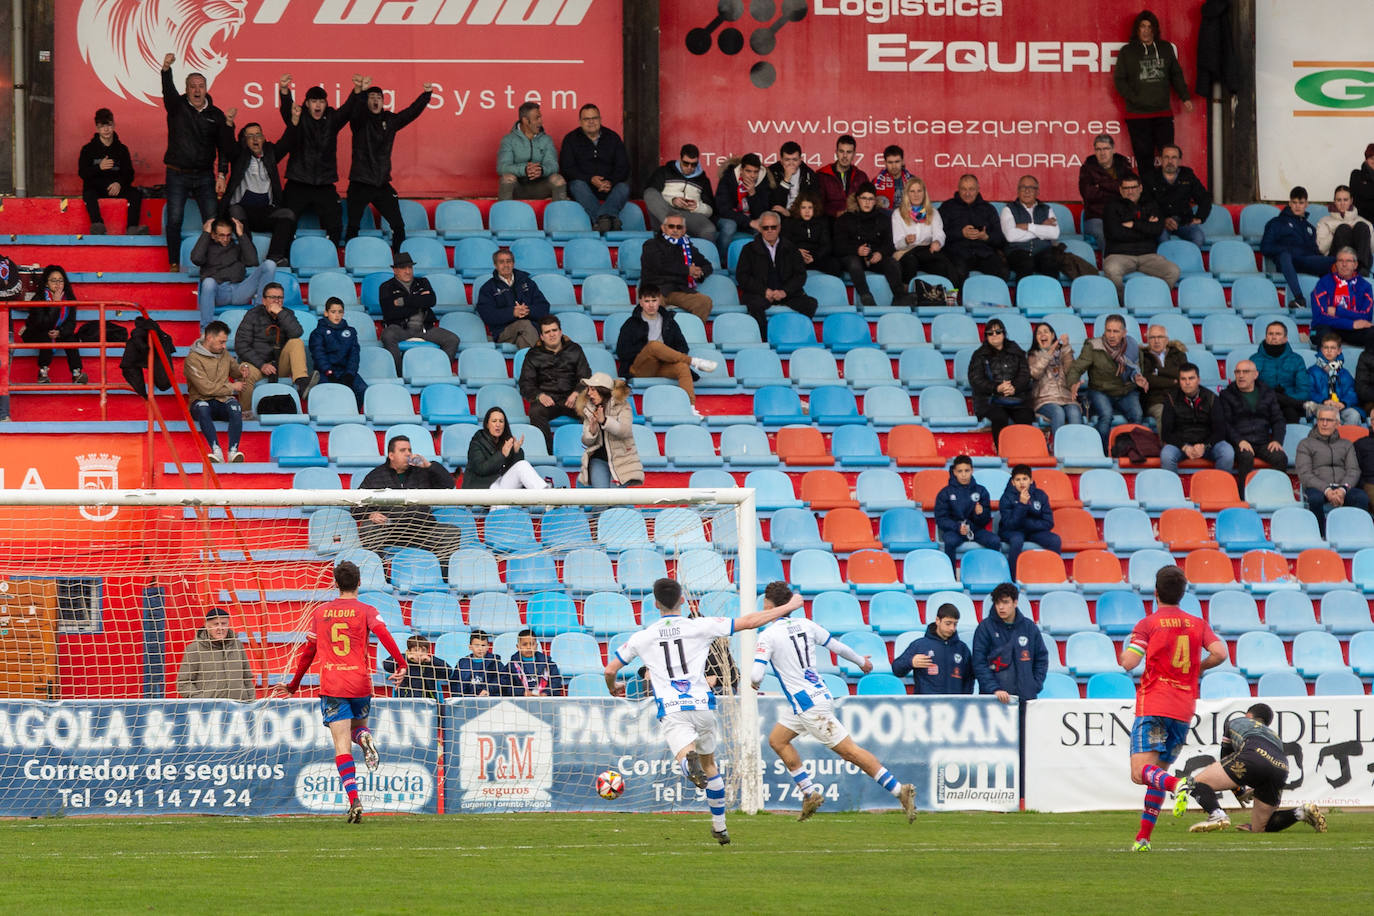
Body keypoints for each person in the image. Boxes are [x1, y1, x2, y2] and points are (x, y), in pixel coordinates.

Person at [604, 577, 798, 845]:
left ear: (656, 604)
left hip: (672, 709)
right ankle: (719, 827)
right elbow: (751, 622)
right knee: (710, 766)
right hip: (703, 705)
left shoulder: (642, 637)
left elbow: (610, 669)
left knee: (688, 760)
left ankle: (687, 762)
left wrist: (614, 688)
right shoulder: (701, 626)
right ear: (682, 600)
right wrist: (789, 606)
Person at [751, 581, 918, 823]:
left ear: (769, 604)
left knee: (850, 752)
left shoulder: (768, 636)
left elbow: (756, 674)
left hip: (809, 706)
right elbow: (836, 646)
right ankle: (809, 794)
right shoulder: (806, 625)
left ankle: (899, 790)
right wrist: (862, 661)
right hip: (814, 697)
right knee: (777, 740)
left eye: (765, 599)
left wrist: (754, 683)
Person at [272, 560, 406, 823]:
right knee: (359, 729)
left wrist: (293, 685)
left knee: (342, 746)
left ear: (334, 584)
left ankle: (354, 798)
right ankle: (365, 736)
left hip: (332, 685)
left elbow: (308, 652)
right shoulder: (367, 610)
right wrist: (401, 664)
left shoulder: (321, 613)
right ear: (359, 583)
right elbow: (384, 634)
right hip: (359, 683)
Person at [1118, 565, 1227, 851]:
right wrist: (1197, 668)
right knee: (1157, 775)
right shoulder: (1197, 623)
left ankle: (1178, 785)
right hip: (1183, 710)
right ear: (1182, 594)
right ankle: (1143, 839)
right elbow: (1220, 653)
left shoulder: (1148, 624)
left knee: (1140, 772)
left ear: (1156, 593)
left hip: (1154, 704)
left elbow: (1129, 662)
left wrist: (1123, 650)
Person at [1182, 703, 1327, 835]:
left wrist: (1239, 791)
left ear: (1248, 715)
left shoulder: (1238, 721)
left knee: (1195, 783)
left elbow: (1226, 756)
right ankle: (1301, 812)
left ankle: (1217, 814)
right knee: (1259, 828)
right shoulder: (1273, 735)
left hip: (1253, 756)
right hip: (1281, 767)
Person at [159, 52, 233, 270]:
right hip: (177, 173)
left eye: (201, 86)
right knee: (174, 219)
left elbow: (224, 149)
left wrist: (221, 174)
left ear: (206, 88)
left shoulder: (216, 115)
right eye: (193, 86)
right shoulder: (176, 107)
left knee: (212, 221)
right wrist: (166, 69)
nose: (197, 90)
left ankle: (213, 263)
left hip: (204, 176)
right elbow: (167, 90)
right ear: (187, 89)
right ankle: (173, 262)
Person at [345, 82, 432, 249]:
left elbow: (410, 113)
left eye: (379, 98)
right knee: (353, 226)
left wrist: (426, 95)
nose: (375, 101)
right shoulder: (359, 121)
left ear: (384, 101)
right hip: (360, 182)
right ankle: (351, 259)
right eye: (372, 98)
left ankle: (399, 260)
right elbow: (355, 112)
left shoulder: (390, 120)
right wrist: (362, 93)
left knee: (398, 226)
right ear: (366, 101)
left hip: (381, 184)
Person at [353, 434, 464, 562]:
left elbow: (448, 484)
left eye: (409, 450)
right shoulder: (375, 476)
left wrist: (429, 465)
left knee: (451, 532)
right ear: (391, 455)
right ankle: (380, 577)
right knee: (368, 528)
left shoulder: (422, 472)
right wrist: (370, 514)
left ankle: (442, 577)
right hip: (389, 530)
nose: (408, 454)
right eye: (402, 450)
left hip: (422, 530)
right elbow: (355, 506)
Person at [277, 74, 357, 247]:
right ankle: (284, 258)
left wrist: (357, 91)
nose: (318, 105)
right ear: (307, 104)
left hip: (324, 183)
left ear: (326, 103)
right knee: (285, 221)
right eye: (314, 101)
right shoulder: (299, 117)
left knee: (335, 223)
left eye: (321, 101)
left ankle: (331, 256)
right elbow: (286, 110)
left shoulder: (332, 119)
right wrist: (284, 91)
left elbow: (348, 109)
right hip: (298, 181)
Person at [1112, 9, 1193, 174]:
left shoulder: (1165, 48)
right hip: (1137, 115)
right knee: (1144, 159)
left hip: (1162, 113)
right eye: (1143, 26)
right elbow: (1119, 80)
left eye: (1150, 27)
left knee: (1168, 157)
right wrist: (1135, 98)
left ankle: (1168, 194)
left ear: (1155, 30)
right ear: (1137, 29)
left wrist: (1185, 97)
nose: (1146, 30)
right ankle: (1149, 196)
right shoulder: (1127, 51)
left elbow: (1176, 74)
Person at [613, 285, 715, 412]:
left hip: (663, 366)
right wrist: (650, 351)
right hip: (640, 368)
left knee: (682, 367)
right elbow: (622, 352)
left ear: (660, 300)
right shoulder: (631, 323)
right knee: (653, 346)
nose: (651, 305)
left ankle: (690, 407)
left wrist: (665, 354)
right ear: (640, 302)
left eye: (654, 300)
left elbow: (682, 346)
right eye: (647, 301)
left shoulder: (669, 322)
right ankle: (694, 362)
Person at [221, 122, 296, 266]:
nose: (255, 139)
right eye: (250, 136)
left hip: (265, 212)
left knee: (288, 214)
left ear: (263, 138)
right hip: (243, 212)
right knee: (235, 211)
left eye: (258, 135)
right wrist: (229, 125)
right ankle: (248, 257)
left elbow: (286, 142)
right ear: (244, 141)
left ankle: (274, 257)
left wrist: (293, 122)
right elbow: (227, 145)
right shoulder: (239, 155)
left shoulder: (271, 154)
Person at [1066, 314, 1148, 447]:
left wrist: (1137, 377)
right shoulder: (1093, 346)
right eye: (1108, 330)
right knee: (1106, 416)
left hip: (1126, 391)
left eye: (1116, 331)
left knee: (1137, 415)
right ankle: (1101, 451)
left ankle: (1131, 450)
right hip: (1100, 391)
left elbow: (1137, 369)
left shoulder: (1132, 346)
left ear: (1124, 333)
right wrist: (1073, 383)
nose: (1111, 335)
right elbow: (1076, 368)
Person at [734, 212, 819, 338]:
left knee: (810, 303)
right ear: (760, 228)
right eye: (765, 228)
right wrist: (764, 291)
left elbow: (800, 276)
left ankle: (796, 336)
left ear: (779, 228)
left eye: (773, 227)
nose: (770, 231)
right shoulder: (748, 249)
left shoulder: (791, 248)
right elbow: (742, 276)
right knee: (754, 305)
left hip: (786, 294)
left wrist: (785, 292)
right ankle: (764, 340)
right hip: (760, 293)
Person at [1296, 403, 1370, 536]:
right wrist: (1327, 490)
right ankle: (1320, 536)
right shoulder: (1305, 444)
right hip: (1317, 487)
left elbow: (1353, 470)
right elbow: (1305, 474)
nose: (1324, 423)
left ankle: (1354, 535)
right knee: (1315, 499)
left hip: (1342, 487)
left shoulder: (1346, 444)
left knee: (1361, 497)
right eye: (1321, 419)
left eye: (1329, 420)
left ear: (1337, 424)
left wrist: (1342, 490)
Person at [518, 314, 591, 449]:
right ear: (542, 336)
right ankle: (547, 452)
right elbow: (525, 383)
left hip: (572, 398)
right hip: (548, 399)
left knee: (591, 409)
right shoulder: (533, 354)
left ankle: (591, 450)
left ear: (560, 332)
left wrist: (576, 393)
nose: (552, 334)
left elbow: (585, 376)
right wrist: (540, 395)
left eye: (554, 330)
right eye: (547, 332)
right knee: (535, 412)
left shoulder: (575, 349)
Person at [378, 251, 458, 373]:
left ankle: (440, 372)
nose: (408, 271)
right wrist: (420, 304)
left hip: (425, 328)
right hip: (400, 328)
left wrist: (403, 301)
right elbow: (390, 313)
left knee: (453, 339)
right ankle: (399, 374)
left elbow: (431, 300)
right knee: (388, 335)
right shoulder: (386, 287)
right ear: (395, 270)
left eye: (410, 267)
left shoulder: (423, 282)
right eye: (403, 268)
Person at [190, 216, 277, 325]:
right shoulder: (207, 247)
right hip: (219, 292)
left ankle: (260, 314)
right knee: (208, 282)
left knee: (270, 265)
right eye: (221, 235)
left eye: (228, 235)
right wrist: (205, 233)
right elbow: (196, 258)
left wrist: (241, 235)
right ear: (213, 235)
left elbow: (252, 261)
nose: (225, 239)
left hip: (239, 290)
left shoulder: (236, 247)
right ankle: (206, 330)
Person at [1102, 174, 1180, 295]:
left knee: (1173, 271)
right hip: (1119, 255)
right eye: (1126, 188)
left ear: (1141, 188)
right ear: (1120, 190)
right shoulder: (1111, 207)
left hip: (1148, 256)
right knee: (1112, 270)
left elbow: (1157, 230)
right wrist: (1146, 227)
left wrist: (1134, 225)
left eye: (1133, 187)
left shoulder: (1151, 205)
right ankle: (1122, 304)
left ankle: (1154, 300)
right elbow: (1115, 233)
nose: (1130, 191)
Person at [1259, 187, 1333, 312]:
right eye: (1294, 202)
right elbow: (1265, 247)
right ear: (1289, 203)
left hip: (1305, 260)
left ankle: (1336, 301)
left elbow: (1315, 251)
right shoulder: (1276, 223)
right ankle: (1299, 299)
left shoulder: (1309, 228)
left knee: (1339, 261)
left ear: (1306, 204)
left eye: (1301, 203)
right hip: (1286, 261)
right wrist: (1286, 249)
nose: (1297, 206)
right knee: (1285, 255)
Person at [972, 581, 1048, 704]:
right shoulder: (985, 628)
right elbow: (979, 663)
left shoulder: (1029, 627)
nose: (1001, 607)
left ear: (1015, 602)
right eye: (997, 603)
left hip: (1026, 698)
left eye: (1005, 602)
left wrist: (1034, 685)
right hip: (995, 700)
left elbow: (1041, 658)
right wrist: (994, 689)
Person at [234, 282, 308, 406]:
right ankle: (246, 413)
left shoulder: (287, 314)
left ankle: (302, 382)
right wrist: (262, 365)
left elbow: (297, 332)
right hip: (258, 365)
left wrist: (281, 314)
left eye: (279, 298)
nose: (276, 301)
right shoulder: (253, 315)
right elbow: (241, 345)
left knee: (296, 342)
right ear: (264, 300)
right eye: (272, 297)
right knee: (246, 372)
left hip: (280, 365)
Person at [559, 103, 631, 232]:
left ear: (600, 119)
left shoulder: (613, 138)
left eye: (595, 118)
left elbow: (623, 167)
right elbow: (567, 168)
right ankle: (609, 219)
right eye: (587, 119)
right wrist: (590, 179)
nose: (591, 122)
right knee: (576, 185)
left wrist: (610, 181)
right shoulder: (571, 139)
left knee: (624, 187)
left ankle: (601, 220)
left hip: (609, 187)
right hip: (585, 188)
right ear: (580, 122)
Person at [183, 320, 247, 463]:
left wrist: (242, 369)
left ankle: (233, 452)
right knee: (203, 407)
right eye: (221, 342)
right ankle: (216, 450)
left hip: (222, 401)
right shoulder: (192, 359)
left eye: (225, 342)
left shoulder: (224, 353)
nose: (224, 346)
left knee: (235, 407)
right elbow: (205, 389)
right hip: (200, 401)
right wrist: (232, 387)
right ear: (209, 338)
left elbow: (235, 371)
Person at [1217, 360, 1289, 482]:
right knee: (1246, 456)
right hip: (1239, 442)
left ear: (1255, 375)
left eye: (1245, 372)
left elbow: (1278, 420)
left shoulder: (1267, 393)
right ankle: (1243, 496)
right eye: (1237, 372)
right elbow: (1225, 423)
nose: (1241, 375)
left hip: (1263, 442)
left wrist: (1277, 440)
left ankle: (1274, 493)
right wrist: (1239, 441)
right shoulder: (1227, 395)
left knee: (1280, 457)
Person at [835, 182, 904, 308]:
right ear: (857, 199)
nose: (867, 202)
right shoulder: (845, 219)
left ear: (875, 201)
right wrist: (857, 250)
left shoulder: (883, 218)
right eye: (864, 198)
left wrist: (880, 253)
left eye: (871, 199)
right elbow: (838, 246)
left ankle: (900, 297)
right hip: (853, 257)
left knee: (892, 263)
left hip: (875, 258)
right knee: (853, 262)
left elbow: (889, 243)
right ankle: (865, 296)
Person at [77, 108, 145, 235]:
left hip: (117, 188)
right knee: (88, 193)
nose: (106, 129)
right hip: (97, 188)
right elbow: (83, 173)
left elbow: (129, 173)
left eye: (109, 125)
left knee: (135, 193)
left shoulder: (122, 149)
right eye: (102, 126)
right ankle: (98, 225)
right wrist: (99, 167)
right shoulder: (88, 149)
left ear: (113, 125)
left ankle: (132, 228)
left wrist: (119, 183)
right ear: (97, 128)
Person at [968, 318, 1034, 447]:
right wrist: (996, 388)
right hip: (989, 399)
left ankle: (1024, 450)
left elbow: (1024, 374)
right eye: (990, 333)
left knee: (1025, 417)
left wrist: (1014, 388)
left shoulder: (1016, 351)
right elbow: (976, 379)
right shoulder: (979, 355)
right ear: (986, 336)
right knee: (999, 417)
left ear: (1004, 333)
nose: (994, 335)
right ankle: (1002, 451)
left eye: (998, 332)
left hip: (1016, 397)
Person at [1159, 362, 1234, 474]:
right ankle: (1172, 489)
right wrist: (1184, 447)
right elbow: (1166, 433)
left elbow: (1220, 431)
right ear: (1179, 381)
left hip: (1208, 445)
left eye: (1191, 378)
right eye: (1183, 379)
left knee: (1227, 452)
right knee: (1166, 455)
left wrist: (1204, 446)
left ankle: (1218, 488)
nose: (1187, 382)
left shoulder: (1212, 398)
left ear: (1198, 380)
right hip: (1181, 445)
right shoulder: (1170, 399)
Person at [639, 214, 715, 321]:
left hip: (679, 290)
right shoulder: (651, 244)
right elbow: (660, 265)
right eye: (671, 226)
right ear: (663, 228)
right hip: (655, 290)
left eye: (679, 227)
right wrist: (687, 270)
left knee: (704, 301)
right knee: (653, 304)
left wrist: (699, 272)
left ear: (684, 230)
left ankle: (691, 334)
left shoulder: (687, 246)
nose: (675, 230)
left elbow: (707, 265)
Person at [22, 266, 87, 385]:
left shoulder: (69, 299)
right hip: (36, 332)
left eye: (60, 280)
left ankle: (76, 373)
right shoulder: (38, 299)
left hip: (57, 332)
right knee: (46, 337)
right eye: (53, 280)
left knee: (71, 338)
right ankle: (43, 373)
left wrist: (60, 332)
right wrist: (55, 305)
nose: (58, 284)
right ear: (46, 283)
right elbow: (42, 323)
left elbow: (71, 323)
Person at [576, 371, 642, 488]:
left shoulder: (622, 405)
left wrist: (604, 421)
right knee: (601, 502)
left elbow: (625, 431)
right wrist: (591, 431)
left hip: (621, 460)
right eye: (588, 389)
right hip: (598, 459)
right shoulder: (589, 408)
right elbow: (586, 442)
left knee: (615, 500)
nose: (589, 393)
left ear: (603, 391)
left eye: (593, 390)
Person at [475, 248, 551, 350]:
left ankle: (532, 365)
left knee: (522, 340)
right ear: (495, 265)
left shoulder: (528, 282)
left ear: (513, 263)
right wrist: (512, 313)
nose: (506, 265)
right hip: (503, 332)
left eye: (509, 261)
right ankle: (546, 362)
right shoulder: (488, 288)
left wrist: (527, 311)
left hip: (531, 330)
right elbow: (488, 315)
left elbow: (544, 307)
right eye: (501, 262)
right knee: (525, 325)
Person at [891, 603, 974, 695]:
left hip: (954, 706)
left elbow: (969, 679)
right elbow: (896, 669)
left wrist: (964, 700)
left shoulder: (962, 649)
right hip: (926, 706)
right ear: (938, 620)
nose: (952, 628)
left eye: (955, 624)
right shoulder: (920, 645)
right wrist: (910, 662)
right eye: (948, 623)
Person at [940, 174, 1008, 283]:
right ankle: (958, 300)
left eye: (971, 189)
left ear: (977, 190)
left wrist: (986, 237)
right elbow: (940, 235)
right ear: (958, 189)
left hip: (984, 253)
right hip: (958, 253)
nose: (967, 193)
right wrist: (960, 233)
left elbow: (1000, 239)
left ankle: (994, 299)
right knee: (957, 272)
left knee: (1002, 271)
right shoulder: (947, 207)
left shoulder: (988, 209)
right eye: (964, 189)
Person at [462, 406, 550, 490]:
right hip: (481, 487)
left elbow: (514, 470)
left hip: (501, 484)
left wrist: (516, 452)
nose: (498, 424)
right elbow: (481, 469)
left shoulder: (506, 441)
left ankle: (547, 497)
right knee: (501, 498)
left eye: (501, 421)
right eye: (494, 421)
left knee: (522, 465)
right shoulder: (477, 441)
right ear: (487, 424)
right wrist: (502, 454)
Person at [175, 607, 253, 701]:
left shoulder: (237, 646)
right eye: (216, 624)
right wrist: (203, 700)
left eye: (223, 624)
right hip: (209, 711)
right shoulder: (194, 649)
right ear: (207, 626)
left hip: (239, 709)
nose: (220, 628)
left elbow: (247, 678)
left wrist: (251, 702)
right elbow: (183, 683)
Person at [934, 455, 999, 564]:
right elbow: (941, 519)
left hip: (975, 530)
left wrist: (980, 514)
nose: (964, 475)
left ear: (972, 470)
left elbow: (985, 519)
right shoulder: (945, 493)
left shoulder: (981, 491)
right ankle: (952, 576)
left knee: (995, 541)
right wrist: (957, 527)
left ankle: (992, 572)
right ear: (954, 472)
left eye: (967, 471)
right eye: (960, 471)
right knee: (950, 541)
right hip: (954, 531)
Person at [892, 176, 956, 287]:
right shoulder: (898, 214)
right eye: (912, 191)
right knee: (910, 263)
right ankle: (906, 296)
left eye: (919, 191)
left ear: (924, 193)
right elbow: (897, 244)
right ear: (907, 194)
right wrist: (906, 241)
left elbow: (939, 233)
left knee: (944, 265)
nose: (916, 195)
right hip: (907, 252)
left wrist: (937, 242)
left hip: (926, 251)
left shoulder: (933, 212)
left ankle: (949, 296)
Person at [999, 464, 1060, 580]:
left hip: (1033, 530)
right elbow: (1009, 524)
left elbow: (1048, 522)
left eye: (1025, 479)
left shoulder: (1040, 495)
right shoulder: (1006, 497)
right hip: (1012, 531)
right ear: (1013, 482)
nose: (1022, 483)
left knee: (1055, 540)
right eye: (1018, 480)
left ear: (1031, 480)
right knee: (1017, 540)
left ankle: (1053, 574)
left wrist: (1028, 524)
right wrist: (1022, 504)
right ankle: (1012, 578)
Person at [497, 101, 567, 202]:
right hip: (518, 188)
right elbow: (502, 167)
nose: (541, 121)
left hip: (541, 187)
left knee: (558, 180)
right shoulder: (508, 140)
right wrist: (525, 169)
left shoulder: (546, 139)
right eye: (537, 118)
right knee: (507, 178)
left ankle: (559, 216)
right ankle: (504, 215)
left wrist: (541, 170)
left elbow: (553, 165)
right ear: (525, 120)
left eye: (540, 117)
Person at [645, 143, 716, 240]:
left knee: (709, 229)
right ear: (680, 158)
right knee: (650, 192)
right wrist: (673, 200)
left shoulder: (703, 180)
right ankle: (671, 226)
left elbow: (711, 210)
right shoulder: (664, 171)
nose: (689, 167)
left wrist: (697, 207)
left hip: (689, 215)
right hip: (665, 212)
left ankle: (701, 253)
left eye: (694, 164)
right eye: (686, 163)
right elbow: (652, 195)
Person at [1143, 145, 1210, 248]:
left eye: (1174, 157)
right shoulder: (1151, 177)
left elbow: (1204, 197)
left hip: (1184, 221)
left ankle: (1186, 262)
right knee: (1163, 242)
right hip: (1161, 223)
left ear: (1179, 160)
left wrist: (1200, 218)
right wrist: (1162, 220)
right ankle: (1169, 264)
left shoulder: (1187, 175)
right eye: (1166, 157)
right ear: (1160, 159)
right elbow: (1146, 204)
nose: (1170, 161)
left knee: (1198, 238)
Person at [713, 153, 774, 260]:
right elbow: (723, 210)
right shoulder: (728, 178)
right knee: (729, 227)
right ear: (741, 170)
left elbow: (762, 213)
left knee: (764, 229)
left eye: (755, 172)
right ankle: (720, 262)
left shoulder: (763, 181)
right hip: (728, 218)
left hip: (750, 219)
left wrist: (752, 194)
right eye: (748, 171)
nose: (752, 175)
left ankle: (760, 263)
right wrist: (749, 222)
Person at [1310, 247, 1374, 349]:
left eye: (1348, 261)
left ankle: (1366, 364)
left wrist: (1337, 311)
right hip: (1329, 327)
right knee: (1324, 336)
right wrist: (1351, 323)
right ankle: (1325, 365)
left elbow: (1366, 317)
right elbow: (1319, 316)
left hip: (1351, 330)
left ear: (1355, 265)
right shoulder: (1323, 283)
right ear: (1336, 264)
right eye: (1340, 261)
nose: (1344, 264)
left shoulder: (1365, 286)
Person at [308, 296, 367, 407]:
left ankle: (354, 413)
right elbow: (319, 355)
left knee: (362, 389)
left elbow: (354, 355)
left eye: (340, 312)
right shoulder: (318, 333)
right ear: (326, 313)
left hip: (346, 371)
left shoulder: (351, 331)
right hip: (325, 373)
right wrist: (329, 372)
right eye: (333, 312)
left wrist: (350, 374)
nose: (337, 315)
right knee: (326, 390)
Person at [1000, 174, 1061, 278]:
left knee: (1051, 264)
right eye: (1023, 187)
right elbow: (1011, 236)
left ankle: (1051, 294)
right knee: (1026, 264)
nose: (1027, 191)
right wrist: (1041, 228)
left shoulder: (1046, 209)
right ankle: (1022, 294)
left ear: (1037, 192)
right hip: (1017, 252)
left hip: (1042, 252)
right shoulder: (1008, 209)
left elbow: (1054, 234)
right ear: (1018, 191)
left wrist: (1028, 227)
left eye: (1031, 188)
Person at [1028, 322, 1084, 436]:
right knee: (1058, 412)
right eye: (1039, 333)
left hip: (1066, 397)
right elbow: (1035, 373)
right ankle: (1058, 447)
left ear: (1053, 335)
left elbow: (1071, 372)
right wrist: (1049, 353)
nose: (1042, 335)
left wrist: (1067, 347)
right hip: (1044, 399)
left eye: (1046, 332)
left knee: (1074, 412)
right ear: (1036, 339)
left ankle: (1076, 448)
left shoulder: (1062, 353)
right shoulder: (1033, 355)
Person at [1078, 134, 1136, 244]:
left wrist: (1100, 185)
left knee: (1137, 230)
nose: (1102, 153)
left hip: (1121, 215)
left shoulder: (1123, 165)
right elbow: (1088, 194)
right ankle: (1109, 261)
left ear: (1113, 149)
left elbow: (1130, 191)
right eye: (1098, 149)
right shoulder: (1087, 168)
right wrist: (1118, 189)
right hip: (1097, 217)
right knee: (1106, 233)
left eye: (1106, 148)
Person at [1252, 320, 1310, 423]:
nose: (1274, 337)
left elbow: (1304, 391)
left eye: (1278, 334)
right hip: (1264, 404)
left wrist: (1284, 397)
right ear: (1266, 337)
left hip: (1291, 404)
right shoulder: (1255, 359)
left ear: (1285, 338)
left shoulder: (1297, 360)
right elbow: (1250, 388)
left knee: (1290, 413)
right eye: (1270, 334)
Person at [1308, 333, 1365, 424]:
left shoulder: (1344, 373)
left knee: (1354, 415)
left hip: (1340, 406)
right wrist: (1324, 401)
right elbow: (1309, 391)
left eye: (1333, 348)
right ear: (1321, 350)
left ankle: (1346, 438)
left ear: (1339, 351)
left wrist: (1343, 403)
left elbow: (1352, 392)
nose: (1329, 351)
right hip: (1320, 405)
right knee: (1329, 414)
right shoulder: (1312, 371)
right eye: (1326, 347)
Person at [1316, 185, 1374, 273]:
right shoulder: (1324, 221)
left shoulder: (1364, 222)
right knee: (1343, 229)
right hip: (1336, 260)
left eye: (1345, 200)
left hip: (1359, 263)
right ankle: (1343, 268)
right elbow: (1321, 249)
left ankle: (1361, 270)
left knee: (1361, 227)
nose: (1342, 203)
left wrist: (1358, 235)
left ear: (1351, 201)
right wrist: (1334, 233)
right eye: (1339, 200)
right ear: (1334, 201)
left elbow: (1371, 249)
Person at [1139, 323, 1188, 427]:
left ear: (1166, 340)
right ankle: (1167, 444)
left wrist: (1159, 372)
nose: (1156, 341)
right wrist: (1173, 381)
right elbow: (1149, 379)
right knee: (1164, 414)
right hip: (1156, 401)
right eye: (1152, 337)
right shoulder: (1143, 356)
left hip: (1178, 398)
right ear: (1147, 340)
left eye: (1160, 337)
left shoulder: (1178, 354)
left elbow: (1184, 374)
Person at [782, 192, 841, 277]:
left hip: (817, 257)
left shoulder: (822, 222)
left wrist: (814, 257)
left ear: (815, 209)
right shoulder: (790, 223)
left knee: (834, 264)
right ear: (798, 209)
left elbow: (826, 246)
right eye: (803, 208)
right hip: (797, 256)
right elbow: (785, 244)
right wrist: (796, 252)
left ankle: (832, 288)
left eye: (810, 207)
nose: (807, 211)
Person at [382, 634, 453, 700]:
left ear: (427, 652)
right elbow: (386, 665)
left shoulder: (431, 664)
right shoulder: (402, 662)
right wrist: (405, 657)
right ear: (408, 651)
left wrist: (431, 659)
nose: (420, 653)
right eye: (416, 650)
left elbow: (448, 672)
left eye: (423, 650)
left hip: (428, 701)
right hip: (407, 701)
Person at [816, 134, 870, 219]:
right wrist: (835, 213)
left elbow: (869, 202)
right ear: (836, 152)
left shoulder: (861, 177)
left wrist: (853, 210)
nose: (845, 156)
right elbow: (817, 204)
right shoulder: (822, 175)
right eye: (841, 151)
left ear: (854, 154)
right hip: (830, 223)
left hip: (856, 222)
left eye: (849, 152)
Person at [509, 628, 565, 696]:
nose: (528, 647)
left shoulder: (549, 664)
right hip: (520, 701)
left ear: (536, 646)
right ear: (518, 646)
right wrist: (522, 693)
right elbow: (506, 687)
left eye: (532, 644)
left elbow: (556, 683)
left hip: (545, 701)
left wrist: (546, 693)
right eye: (524, 644)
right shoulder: (511, 666)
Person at [452, 630, 508, 697]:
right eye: (477, 645)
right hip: (467, 701)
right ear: (470, 647)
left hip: (489, 699)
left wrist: (488, 689)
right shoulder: (462, 663)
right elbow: (455, 684)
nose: (480, 648)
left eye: (483, 645)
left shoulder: (495, 662)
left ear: (488, 646)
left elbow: (503, 680)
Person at [871, 145, 915, 211]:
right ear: (885, 163)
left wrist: (918, 218)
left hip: (908, 219)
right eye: (890, 162)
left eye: (897, 162)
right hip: (885, 219)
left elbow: (924, 205)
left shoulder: (913, 181)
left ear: (902, 162)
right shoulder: (876, 182)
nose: (894, 166)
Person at [1349, 143, 1374, 220]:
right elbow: (1360, 197)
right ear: (1366, 159)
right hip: (1361, 219)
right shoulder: (1356, 175)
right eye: (1372, 158)